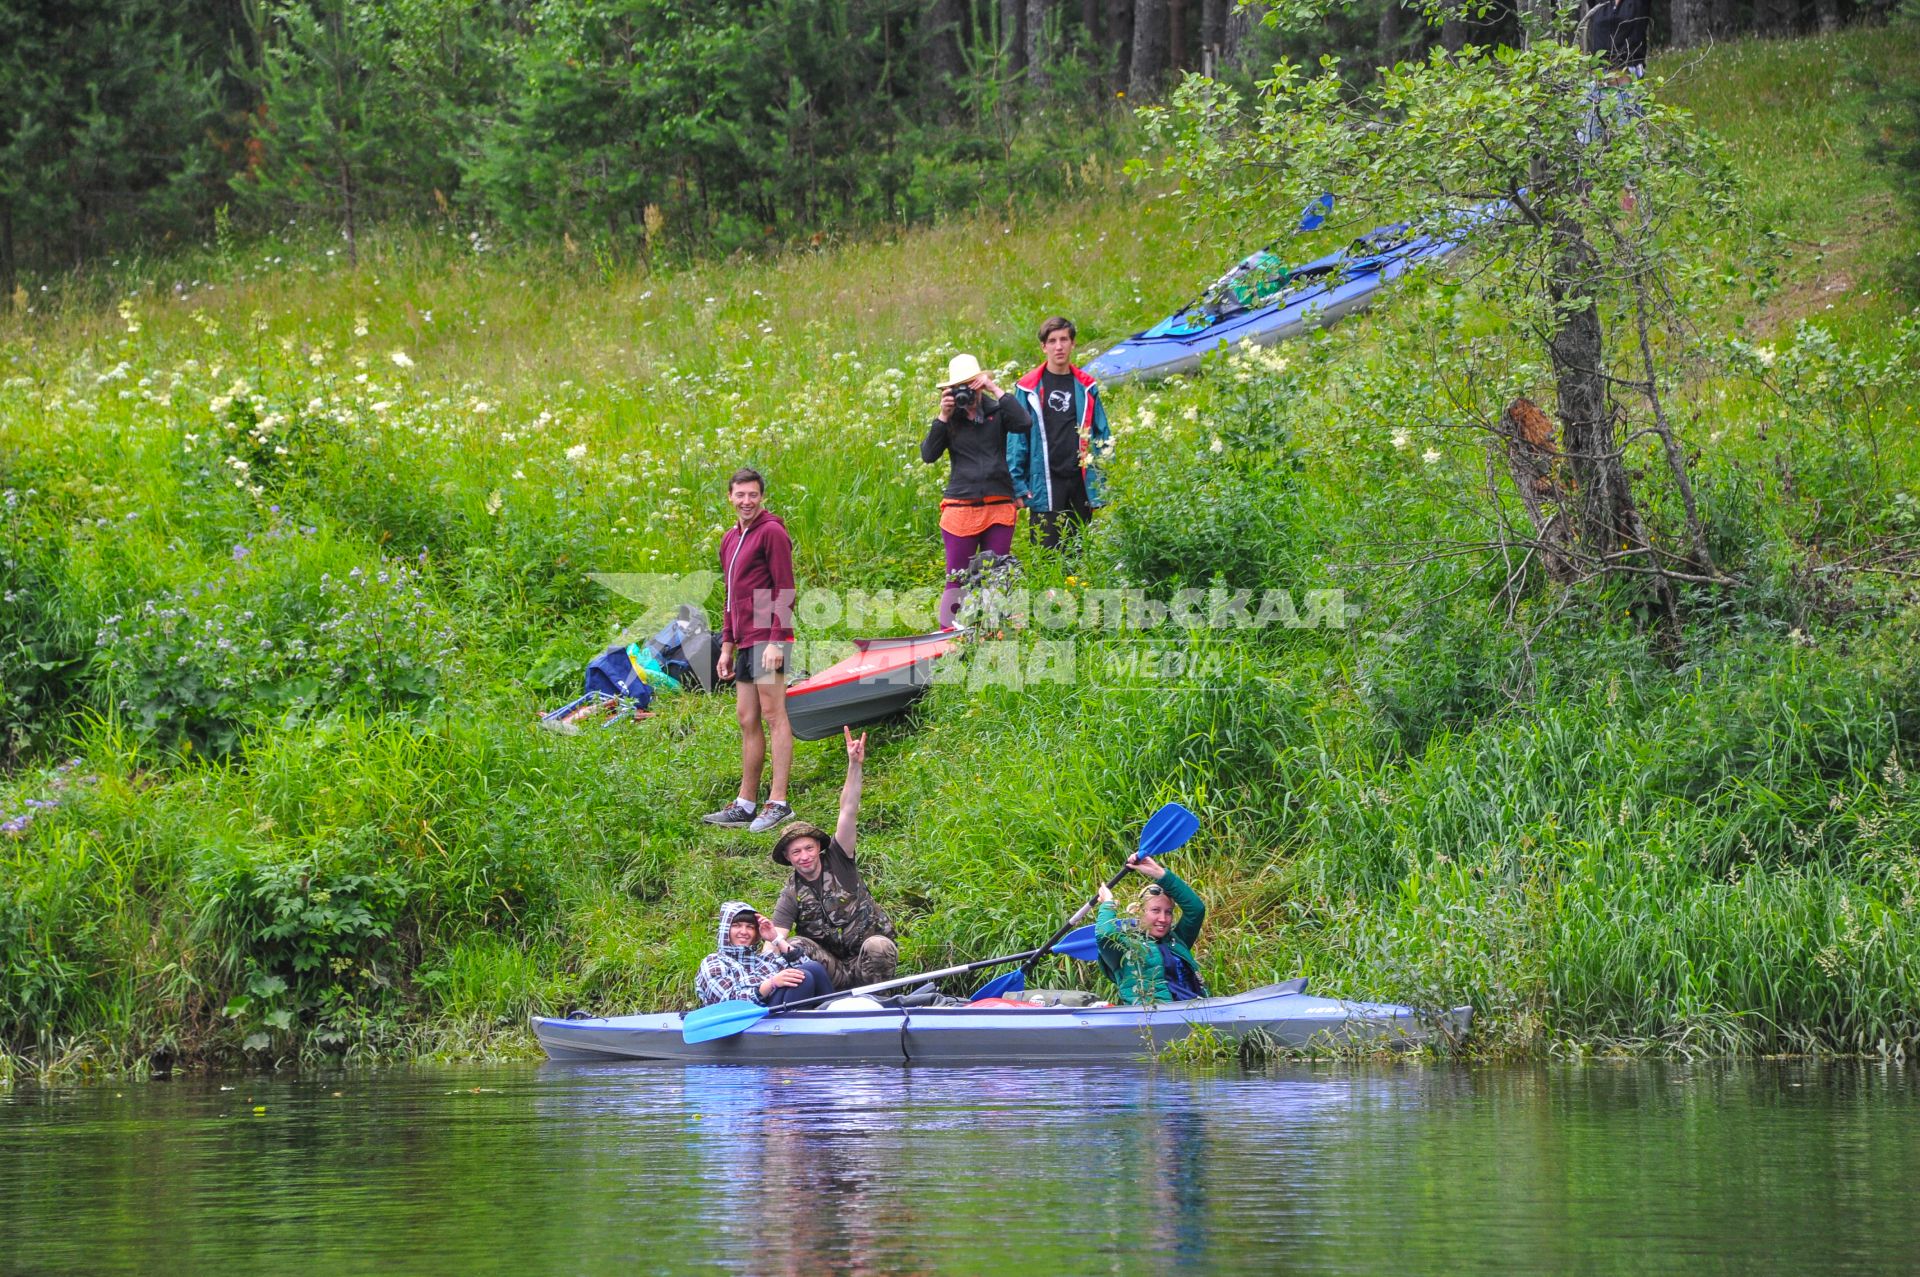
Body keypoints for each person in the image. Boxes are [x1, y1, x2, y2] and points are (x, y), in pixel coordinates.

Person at [704, 467, 798, 834]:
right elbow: (730, 598)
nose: (746, 501)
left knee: (774, 715)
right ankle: (745, 802)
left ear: (762, 497)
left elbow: (785, 588)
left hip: (768, 635)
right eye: (740, 495)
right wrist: (726, 647)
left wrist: (777, 639)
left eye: (753, 495)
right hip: (744, 639)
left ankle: (779, 802)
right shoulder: (729, 539)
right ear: (730, 497)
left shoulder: (772, 532)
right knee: (747, 718)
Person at [767, 727, 899, 990]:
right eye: (796, 852)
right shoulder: (791, 893)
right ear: (788, 857)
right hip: (832, 972)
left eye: (808, 848)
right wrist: (761, 973)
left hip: (867, 962)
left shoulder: (840, 859)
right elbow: (776, 937)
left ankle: (881, 1001)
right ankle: (826, 1001)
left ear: (818, 847)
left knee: (879, 946)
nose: (804, 856)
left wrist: (854, 765)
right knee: (794, 945)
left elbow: (848, 810)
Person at [921, 353, 1031, 628]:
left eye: (970, 384)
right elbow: (928, 455)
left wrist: (995, 389)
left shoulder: (997, 412)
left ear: (979, 383)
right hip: (960, 507)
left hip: (999, 506)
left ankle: (993, 632)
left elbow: (1024, 423)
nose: (965, 392)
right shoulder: (950, 420)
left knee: (996, 576)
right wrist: (943, 416)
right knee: (957, 577)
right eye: (960, 387)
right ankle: (948, 635)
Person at [1009, 317, 1111, 550]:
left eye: (1064, 339)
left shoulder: (1086, 386)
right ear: (1043, 346)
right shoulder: (1028, 387)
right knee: (1046, 555)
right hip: (1044, 481)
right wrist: (1017, 485)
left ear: (1073, 344)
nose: (1059, 346)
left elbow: (1102, 433)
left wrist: (1103, 483)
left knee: (1080, 552)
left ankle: (1077, 588)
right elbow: (1017, 439)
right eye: (1052, 341)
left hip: (1079, 481)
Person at [1094, 854, 1208, 1005]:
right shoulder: (1123, 946)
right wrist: (1108, 903)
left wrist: (1161, 874)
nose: (1163, 919)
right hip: (1154, 1020)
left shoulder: (1177, 940)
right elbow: (1105, 934)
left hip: (1199, 1012)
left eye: (1168, 912)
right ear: (1138, 911)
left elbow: (1196, 910)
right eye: (1155, 910)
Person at [694, 901, 835, 1008]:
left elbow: (807, 965)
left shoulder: (764, 959)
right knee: (802, 980)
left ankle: (837, 1020)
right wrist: (771, 984)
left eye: (750, 927)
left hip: (778, 1011)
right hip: (751, 1022)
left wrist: (776, 938)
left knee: (813, 968)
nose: (744, 932)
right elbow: (726, 1002)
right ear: (726, 930)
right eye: (737, 926)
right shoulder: (714, 961)